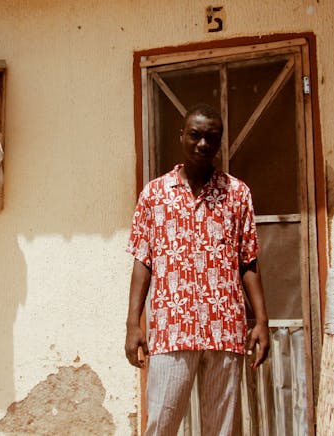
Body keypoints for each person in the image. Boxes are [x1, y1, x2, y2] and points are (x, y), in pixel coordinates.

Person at [125, 103, 270, 436]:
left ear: (219, 142)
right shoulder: (155, 194)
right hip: (172, 329)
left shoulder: (237, 194)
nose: (203, 144)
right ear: (182, 136)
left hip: (224, 329)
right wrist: (134, 323)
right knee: (161, 424)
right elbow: (142, 260)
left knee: (222, 430)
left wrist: (261, 321)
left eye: (211, 137)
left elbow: (248, 261)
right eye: (195, 135)